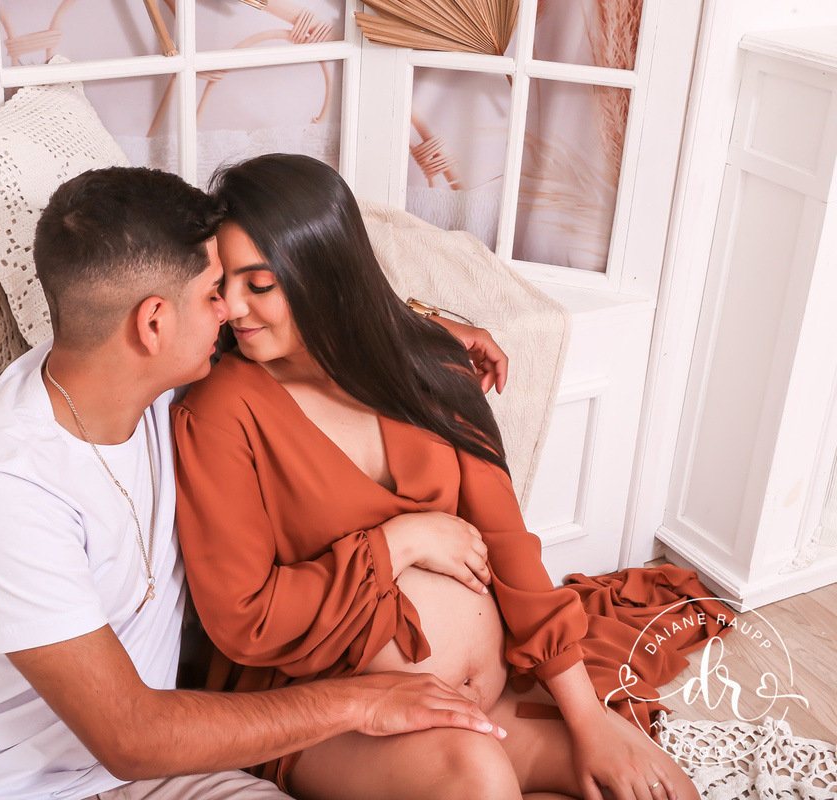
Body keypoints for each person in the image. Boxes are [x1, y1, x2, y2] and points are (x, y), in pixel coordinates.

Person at [0, 165, 516, 800]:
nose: (231, 311)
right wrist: (362, 704)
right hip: (15, 786)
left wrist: (419, 330)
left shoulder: (134, 374)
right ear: (154, 324)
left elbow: (315, 293)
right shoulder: (5, 489)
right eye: (215, 292)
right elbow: (130, 736)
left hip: (160, 768)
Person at [173, 154, 710, 800]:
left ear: (323, 272)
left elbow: (508, 545)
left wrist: (588, 716)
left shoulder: (429, 364)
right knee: (478, 777)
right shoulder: (221, 411)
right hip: (333, 714)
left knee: (661, 789)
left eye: (258, 285)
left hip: (491, 699)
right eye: (222, 284)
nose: (232, 308)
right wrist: (400, 542)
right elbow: (245, 618)